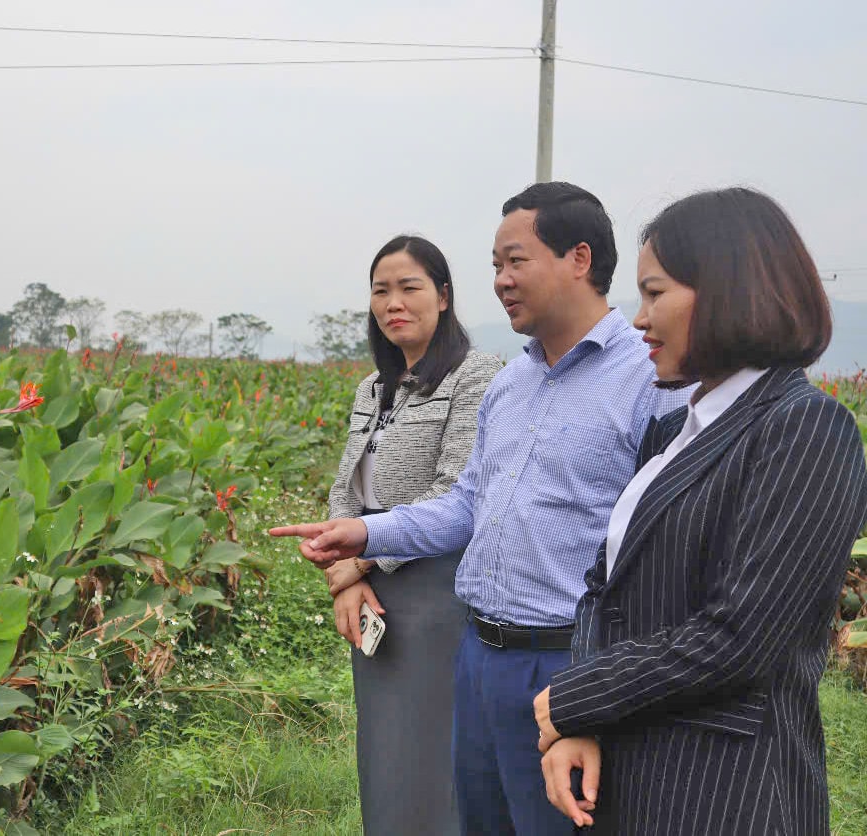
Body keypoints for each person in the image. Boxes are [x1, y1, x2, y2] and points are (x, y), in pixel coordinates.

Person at [271, 181, 690, 835]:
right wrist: (361, 531)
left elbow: (668, 546)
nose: (500, 280)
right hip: (479, 654)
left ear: (579, 259)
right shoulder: (514, 383)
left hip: (567, 658)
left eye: (515, 260)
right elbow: (466, 502)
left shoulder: (646, 379)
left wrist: (610, 682)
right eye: (496, 265)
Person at [534, 187, 867, 835]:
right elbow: (604, 592)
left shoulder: (804, 428)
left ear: (728, 292)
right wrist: (582, 725)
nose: (638, 318)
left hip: (723, 793)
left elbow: (741, 636)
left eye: (655, 293)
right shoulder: (673, 433)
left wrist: (577, 698)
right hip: (631, 775)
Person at [323, 235, 501, 834]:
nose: (393, 302)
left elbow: (457, 493)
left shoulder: (478, 377)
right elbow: (346, 489)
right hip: (371, 598)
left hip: (437, 594)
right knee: (385, 755)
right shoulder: (373, 388)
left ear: (444, 296)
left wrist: (360, 562)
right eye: (381, 290)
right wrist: (343, 585)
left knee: (434, 758)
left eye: (410, 287)